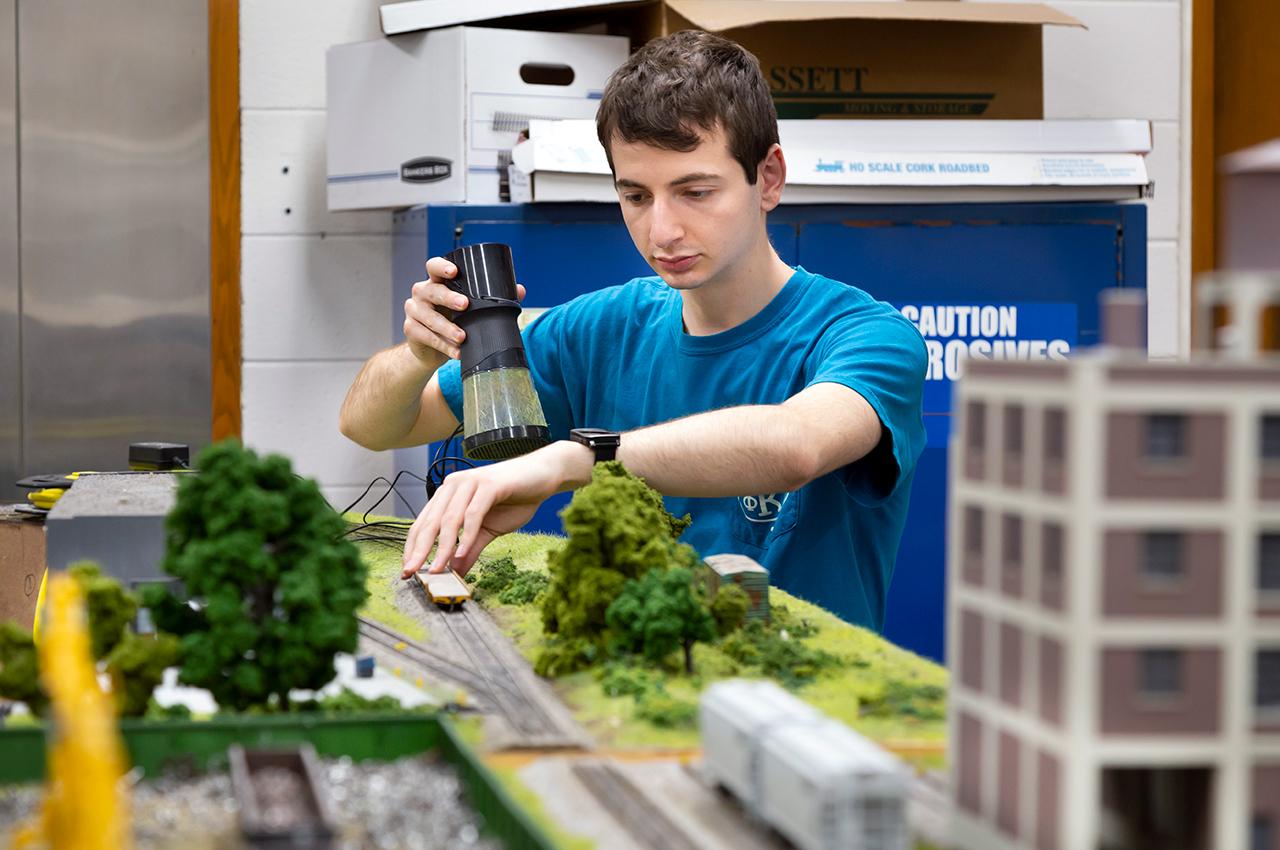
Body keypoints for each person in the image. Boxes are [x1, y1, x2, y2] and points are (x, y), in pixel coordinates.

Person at [339, 30, 927, 631]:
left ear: (768, 177)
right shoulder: (598, 330)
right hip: (631, 696)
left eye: (695, 192)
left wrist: (578, 458)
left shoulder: (867, 336)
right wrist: (417, 352)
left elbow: (795, 445)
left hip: (803, 703)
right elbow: (373, 426)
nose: (662, 230)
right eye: (636, 196)